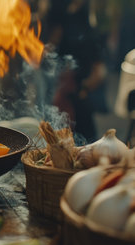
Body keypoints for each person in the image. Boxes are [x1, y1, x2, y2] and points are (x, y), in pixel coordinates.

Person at [44, 0, 107, 142]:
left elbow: (100, 71)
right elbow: (50, 48)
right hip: (61, 96)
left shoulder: (88, 29)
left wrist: (83, 88)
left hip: (79, 98)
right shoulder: (61, 19)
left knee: (85, 144)